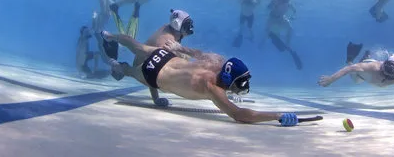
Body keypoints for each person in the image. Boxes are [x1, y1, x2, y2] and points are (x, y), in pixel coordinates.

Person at [100, 30, 300, 126]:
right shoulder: (212, 87)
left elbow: (198, 53)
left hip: (165, 57)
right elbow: (239, 115)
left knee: (137, 45)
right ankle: (116, 65)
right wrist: (276, 115)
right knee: (127, 71)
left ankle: (110, 36)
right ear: (229, 79)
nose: (244, 86)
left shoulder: (216, 61)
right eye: (241, 82)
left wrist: (180, 48)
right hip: (153, 74)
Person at [127, 9, 196, 105]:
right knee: (185, 65)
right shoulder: (166, 42)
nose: (191, 27)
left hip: (144, 67)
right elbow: (151, 68)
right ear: (177, 25)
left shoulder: (170, 30)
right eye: (188, 25)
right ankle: (121, 68)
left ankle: (121, 69)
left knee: (185, 59)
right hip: (142, 71)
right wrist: (156, 99)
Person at [317, 42, 394, 98]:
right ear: (384, 65)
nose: (386, 74)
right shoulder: (374, 68)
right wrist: (330, 79)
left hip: (368, 74)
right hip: (365, 68)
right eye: (387, 68)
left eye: (392, 71)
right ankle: (352, 58)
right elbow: (349, 69)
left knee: (358, 78)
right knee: (356, 78)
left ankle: (364, 56)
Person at [261, 0, 302, 70]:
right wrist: (273, 5)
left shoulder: (288, 4)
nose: (285, 2)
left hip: (281, 18)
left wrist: (292, 16)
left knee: (290, 28)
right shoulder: (277, 0)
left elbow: (294, 10)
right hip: (272, 19)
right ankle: (265, 40)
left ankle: (287, 45)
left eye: (287, 1)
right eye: (284, 0)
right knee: (268, 31)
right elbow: (268, 7)